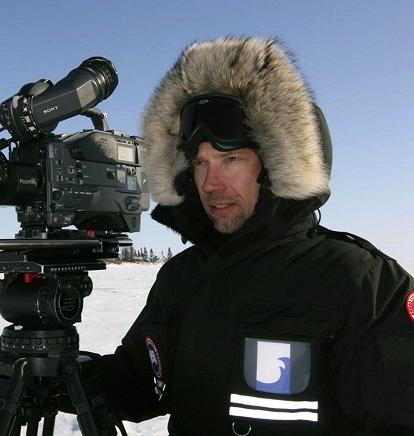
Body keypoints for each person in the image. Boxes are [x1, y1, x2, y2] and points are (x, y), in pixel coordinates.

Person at [85, 36, 414, 435]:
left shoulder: (363, 282)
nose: (210, 183)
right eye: (200, 163)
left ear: (279, 165)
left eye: (231, 159)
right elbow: (139, 384)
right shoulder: (181, 277)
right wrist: (62, 373)